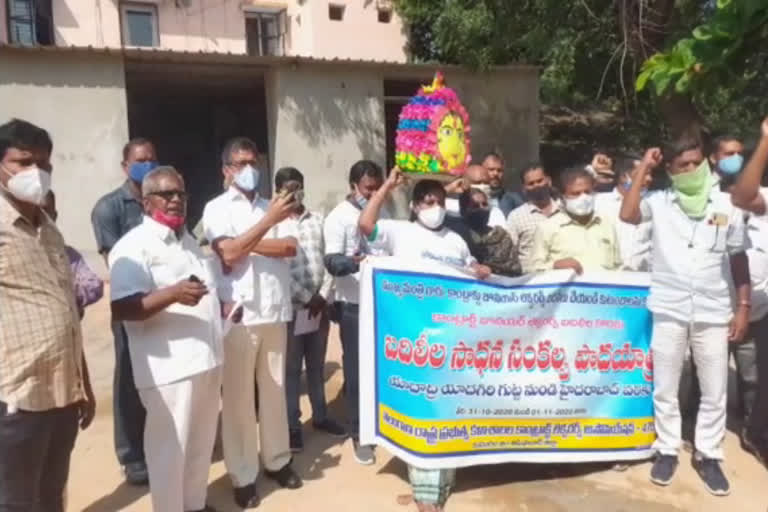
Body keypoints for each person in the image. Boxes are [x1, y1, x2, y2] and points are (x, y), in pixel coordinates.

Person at [620, 143, 750, 496]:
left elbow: (738, 256)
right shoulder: (660, 203)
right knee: (665, 385)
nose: (692, 169)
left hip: (712, 309)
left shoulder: (725, 205)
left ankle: (709, 454)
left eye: (696, 162)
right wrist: (645, 166)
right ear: (672, 172)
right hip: (669, 307)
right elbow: (628, 215)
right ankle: (667, 448)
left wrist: (742, 306)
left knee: (715, 387)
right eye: (683, 165)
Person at [359, 168, 490, 512]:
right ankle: (426, 494)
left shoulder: (456, 240)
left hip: (453, 342)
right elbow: (366, 226)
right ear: (416, 206)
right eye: (428, 201)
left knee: (448, 409)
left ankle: (443, 481)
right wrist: (387, 186)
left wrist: (480, 271)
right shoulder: (399, 232)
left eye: (440, 201)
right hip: (415, 343)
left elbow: (472, 269)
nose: (435, 206)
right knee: (424, 410)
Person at [109, 167, 225, 512]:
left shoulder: (188, 241)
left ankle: (194, 504)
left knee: (201, 446)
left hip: (205, 361)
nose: (176, 200)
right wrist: (172, 294)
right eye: (166, 194)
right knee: (169, 454)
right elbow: (122, 308)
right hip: (168, 371)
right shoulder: (132, 247)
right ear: (146, 202)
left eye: (181, 194)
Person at [0, 118, 95, 512]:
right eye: (23, 162)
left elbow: (66, 310)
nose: (36, 173)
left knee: (51, 496)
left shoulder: (50, 229)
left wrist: (83, 380)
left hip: (61, 395)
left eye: (44, 164)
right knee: (17, 502)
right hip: (16, 397)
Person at [202, 137, 301, 508]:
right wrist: (266, 227)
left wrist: (246, 241)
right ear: (226, 170)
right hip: (239, 314)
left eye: (253, 161)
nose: (249, 168)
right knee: (240, 399)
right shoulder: (215, 208)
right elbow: (226, 252)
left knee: (275, 390)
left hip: (275, 309)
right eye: (240, 163)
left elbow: (290, 248)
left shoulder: (274, 205)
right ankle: (243, 474)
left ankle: (277, 459)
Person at [90, 137, 158, 485]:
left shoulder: (160, 202)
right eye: (140, 160)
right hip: (132, 306)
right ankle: (131, 454)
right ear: (125, 165)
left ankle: (157, 444)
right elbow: (115, 263)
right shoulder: (109, 208)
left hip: (164, 304)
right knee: (130, 377)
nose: (147, 165)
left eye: (152, 159)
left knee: (160, 376)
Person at [275, 167, 346, 453]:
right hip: (292, 309)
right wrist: (306, 296)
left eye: (299, 186)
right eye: (288, 188)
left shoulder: (318, 219)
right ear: (278, 191)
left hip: (319, 309)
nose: (295, 192)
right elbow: (278, 269)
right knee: (292, 370)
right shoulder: (274, 226)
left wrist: (323, 296)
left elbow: (329, 259)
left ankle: (321, 416)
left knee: (316, 365)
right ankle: (293, 426)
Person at [323, 160, 386, 465]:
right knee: (357, 372)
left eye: (377, 189)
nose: (373, 194)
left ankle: (382, 425)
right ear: (353, 187)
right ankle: (359, 433)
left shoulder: (379, 212)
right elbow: (332, 262)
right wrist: (357, 262)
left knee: (381, 370)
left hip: (382, 304)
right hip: (353, 307)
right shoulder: (338, 218)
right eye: (367, 189)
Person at [730, 116, 768, 467]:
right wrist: (766, 140)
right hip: (730, 306)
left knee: (756, 378)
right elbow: (744, 197)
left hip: (759, 310)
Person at [531, 166, 621, 273]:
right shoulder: (547, 228)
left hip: (604, 288)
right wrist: (554, 265)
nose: (583, 198)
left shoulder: (606, 224)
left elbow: (618, 266)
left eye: (587, 192)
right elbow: (533, 269)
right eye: (575, 193)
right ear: (562, 197)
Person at [44, 191, 104, 318]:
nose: (39, 218)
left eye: (45, 212)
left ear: (54, 216)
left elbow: (94, 285)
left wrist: (67, 294)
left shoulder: (67, 254)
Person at [594, 157, 653, 271]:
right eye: (643, 174)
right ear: (623, 177)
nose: (649, 179)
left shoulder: (653, 202)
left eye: (650, 174)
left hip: (643, 279)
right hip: (608, 278)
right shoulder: (599, 203)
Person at [506, 163, 561, 273]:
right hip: (531, 283)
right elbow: (509, 254)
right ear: (524, 188)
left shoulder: (565, 210)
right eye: (531, 183)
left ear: (548, 181)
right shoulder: (516, 216)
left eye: (540, 181)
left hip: (564, 279)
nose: (537, 186)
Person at [458, 187, 521, 276]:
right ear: (464, 210)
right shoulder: (458, 236)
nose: (482, 209)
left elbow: (514, 268)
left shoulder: (501, 235)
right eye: (475, 206)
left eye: (484, 204)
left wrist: (491, 269)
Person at [482, 152, 524, 216]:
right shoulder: (473, 198)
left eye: (499, 170)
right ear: (482, 169)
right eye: (491, 169)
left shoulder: (513, 199)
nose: (496, 174)